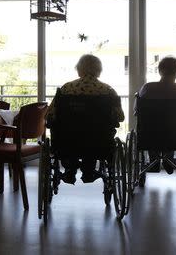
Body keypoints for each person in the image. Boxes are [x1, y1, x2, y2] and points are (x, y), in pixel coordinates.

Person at [47, 54, 124, 184]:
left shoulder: (65, 89)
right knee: (93, 138)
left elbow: (50, 115)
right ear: (98, 70)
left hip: (67, 140)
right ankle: (89, 170)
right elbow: (120, 117)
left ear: (79, 69)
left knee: (69, 137)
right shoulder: (108, 90)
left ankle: (70, 169)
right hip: (99, 142)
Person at [136, 56, 176, 174]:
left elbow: (137, 110)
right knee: (173, 126)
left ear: (160, 71)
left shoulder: (147, 87)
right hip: (174, 136)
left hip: (148, 136)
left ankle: (153, 161)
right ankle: (168, 160)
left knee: (149, 126)